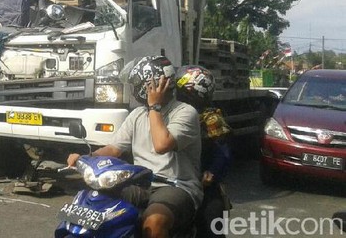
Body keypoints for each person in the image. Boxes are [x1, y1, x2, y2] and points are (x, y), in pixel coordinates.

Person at [66, 56, 203, 238]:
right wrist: (85, 158)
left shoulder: (185, 112)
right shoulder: (138, 114)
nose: (136, 90)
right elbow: (114, 149)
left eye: (138, 84)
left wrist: (155, 106)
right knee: (95, 204)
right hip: (141, 182)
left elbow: (162, 145)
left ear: (155, 84)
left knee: (154, 222)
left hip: (175, 185)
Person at [175, 65, 232, 238]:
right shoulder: (172, 112)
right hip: (175, 178)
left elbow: (223, 152)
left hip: (203, 182)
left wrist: (211, 173)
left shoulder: (211, 118)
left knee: (210, 220)